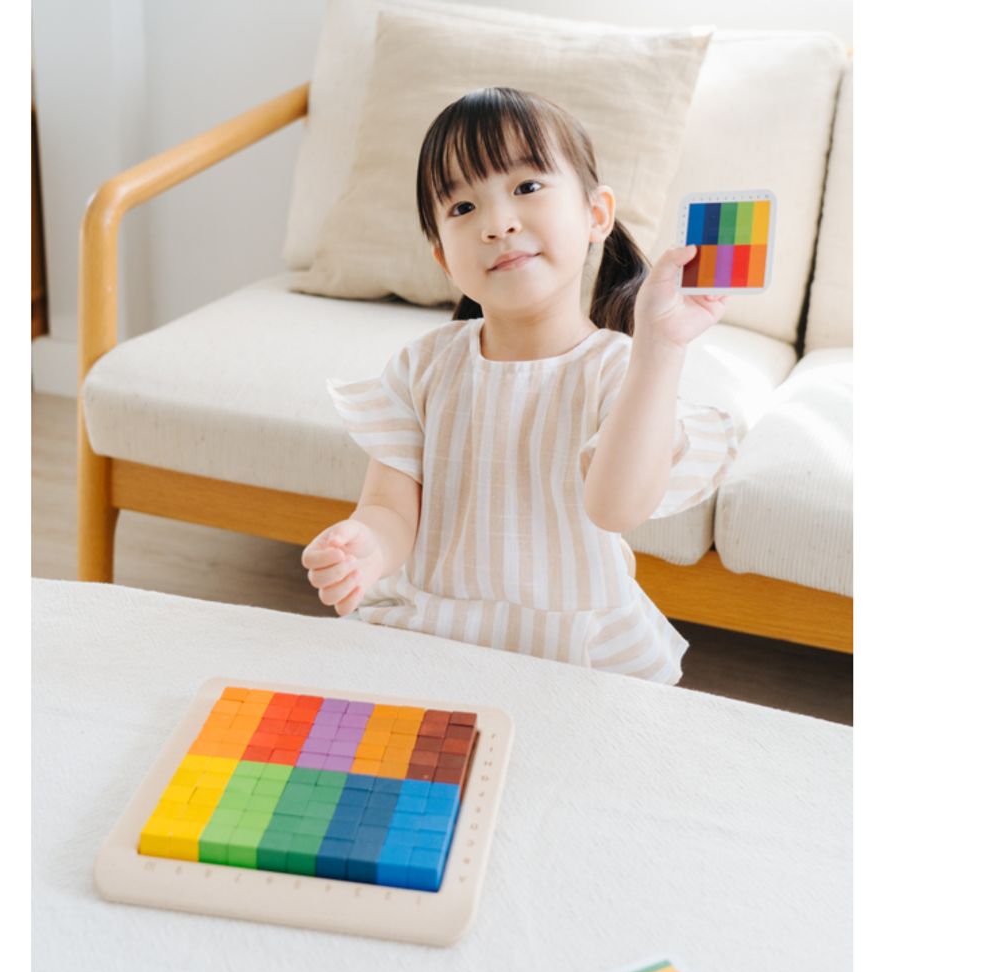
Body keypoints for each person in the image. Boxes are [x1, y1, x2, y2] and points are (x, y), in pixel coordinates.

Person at [301, 87, 737, 685]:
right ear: (442, 258)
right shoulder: (423, 366)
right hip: (431, 628)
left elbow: (615, 509)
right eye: (461, 208)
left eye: (527, 188)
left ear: (596, 215)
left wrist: (659, 349)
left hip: (572, 650)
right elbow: (388, 511)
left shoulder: (618, 369)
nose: (497, 223)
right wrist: (366, 547)